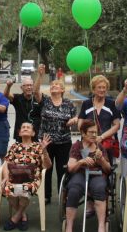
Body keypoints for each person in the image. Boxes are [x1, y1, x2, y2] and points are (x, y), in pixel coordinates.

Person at [33, 64, 78, 204]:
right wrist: (40, 76)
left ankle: (62, 195)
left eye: (57, 86)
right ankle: (46, 196)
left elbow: (76, 118)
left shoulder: (69, 103)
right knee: (46, 169)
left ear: (62, 90)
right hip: (46, 141)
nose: (54, 87)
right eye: (52, 86)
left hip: (64, 142)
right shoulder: (45, 101)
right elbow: (35, 92)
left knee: (62, 170)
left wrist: (74, 120)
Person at [0, 123, 52, 231]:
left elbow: (47, 166)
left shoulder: (38, 146)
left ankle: (15, 217)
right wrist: (6, 178)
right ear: (19, 133)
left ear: (33, 133)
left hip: (32, 178)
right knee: (6, 187)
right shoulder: (14, 147)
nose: (25, 129)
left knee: (26, 188)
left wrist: (45, 150)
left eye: (28, 127)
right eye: (23, 127)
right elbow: (6, 164)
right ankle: (23, 215)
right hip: (14, 176)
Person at [64, 120, 112, 232]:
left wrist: (101, 160)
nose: (94, 135)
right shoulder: (77, 146)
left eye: (95, 132)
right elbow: (71, 168)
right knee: (74, 190)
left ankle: (101, 226)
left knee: (100, 188)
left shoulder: (100, 147)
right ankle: (69, 226)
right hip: (80, 173)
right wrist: (81, 162)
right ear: (83, 133)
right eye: (91, 132)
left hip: (97, 174)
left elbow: (108, 169)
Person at [78, 75, 121, 161]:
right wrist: (88, 137)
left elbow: (117, 125)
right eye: (99, 87)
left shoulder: (111, 104)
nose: (102, 90)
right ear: (93, 89)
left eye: (104, 87)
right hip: (88, 143)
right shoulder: (86, 103)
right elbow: (80, 124)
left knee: (106, 169)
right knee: (87, 168)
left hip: (106, 144)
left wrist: (102, 137)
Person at [3, 76, 38, 142]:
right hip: (21, 133)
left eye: (31, 85)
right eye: (27, 85)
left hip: (35, 133)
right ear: (22, 88)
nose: (29, 87)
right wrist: (8, 86)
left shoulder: (37, 98)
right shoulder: (18, 98)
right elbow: (5, 95)